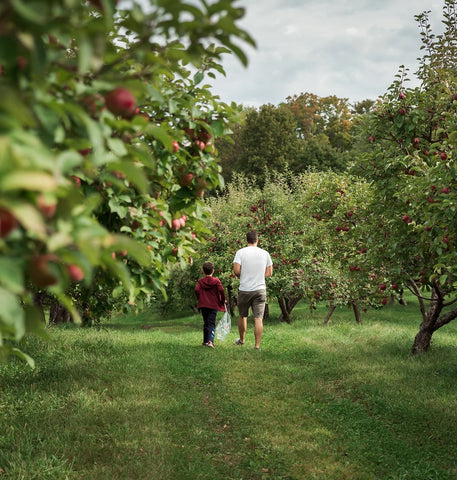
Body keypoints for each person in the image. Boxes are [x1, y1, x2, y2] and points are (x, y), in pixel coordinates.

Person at [233, 230, 273, 350]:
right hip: (260, 289)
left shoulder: (240, 253)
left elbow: (236, 270)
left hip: (244, 289)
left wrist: (244, 276)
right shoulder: (265, 253)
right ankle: (257, 346)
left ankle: (242, 340)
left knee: (242, 315)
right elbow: (270, 272)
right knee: (258, 318)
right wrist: (259, 276)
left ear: (246, 241)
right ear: (257, 240)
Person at [195, 261, 226, 348]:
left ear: (203, 271)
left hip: (203, 304)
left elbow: (196, 290)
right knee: (211, 323)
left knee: (206, 322)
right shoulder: (216, 281)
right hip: (213, 305)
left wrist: (199, 298)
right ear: (213, 271)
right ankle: (210, 341)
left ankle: (205, 341)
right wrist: (222, 300)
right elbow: (221, 291)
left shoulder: (200, 281)